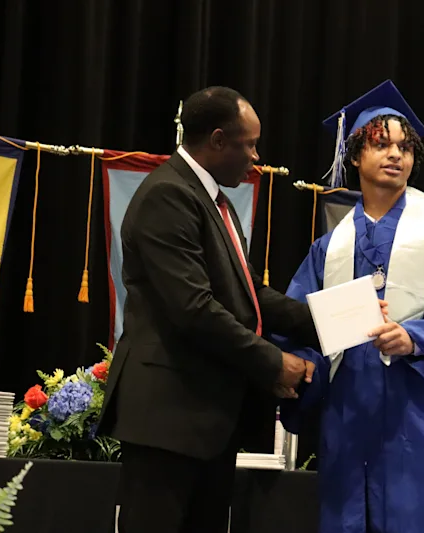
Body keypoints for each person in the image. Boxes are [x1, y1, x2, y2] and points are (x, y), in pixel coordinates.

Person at [97, 86, 320, 533]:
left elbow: (250, 294)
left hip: (207, 421)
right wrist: (273, 361)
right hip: (168, 421)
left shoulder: (213, 201)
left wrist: (332, 318)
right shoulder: (168, 196)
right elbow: (193, 308)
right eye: (249, 144)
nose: (256, 157)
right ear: (217, 140)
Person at [275, 80, 424, 533]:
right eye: (381, 144)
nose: (396, 155)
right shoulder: (329, 247)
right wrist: (295, 366)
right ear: (355, 155)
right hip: (350, 419)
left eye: (405, 146)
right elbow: (301, 323)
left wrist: (415, 337)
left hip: (419, 417)